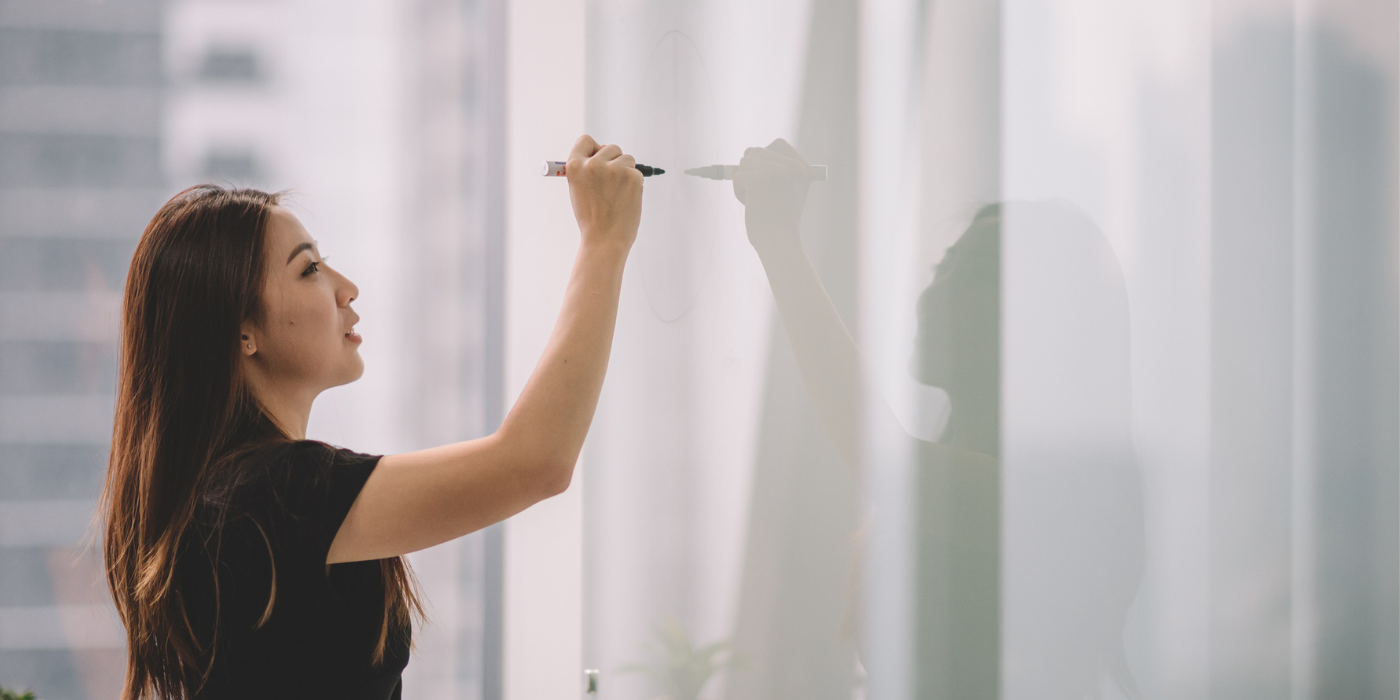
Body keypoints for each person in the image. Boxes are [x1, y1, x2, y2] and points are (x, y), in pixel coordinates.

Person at [100, 136, 643, 700]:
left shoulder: (230, 497)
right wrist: (605, 240)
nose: (346, 288)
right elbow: (535, 462)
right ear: (242, 332)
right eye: (309, 269)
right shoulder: (271, 494)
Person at [732, 139, 1143, 698]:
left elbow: (879, 455)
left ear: (1043, 322)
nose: (934, 292)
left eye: (971, 275)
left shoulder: (1072, 489)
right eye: (941, 267)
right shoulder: (943, 488)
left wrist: (779, 240)